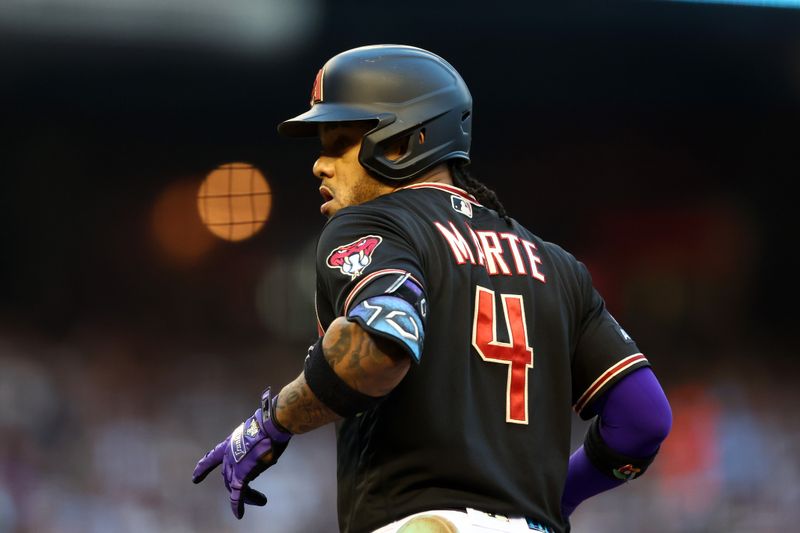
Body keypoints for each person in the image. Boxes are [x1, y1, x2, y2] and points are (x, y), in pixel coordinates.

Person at [192, 44, 672, 533]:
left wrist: (272, 422)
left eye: (339, 141)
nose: (320, 164)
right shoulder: (558, 264)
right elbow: (642, 419)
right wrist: (555, 501)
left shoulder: (373, 223)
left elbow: (381, 345)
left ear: (403, 142)